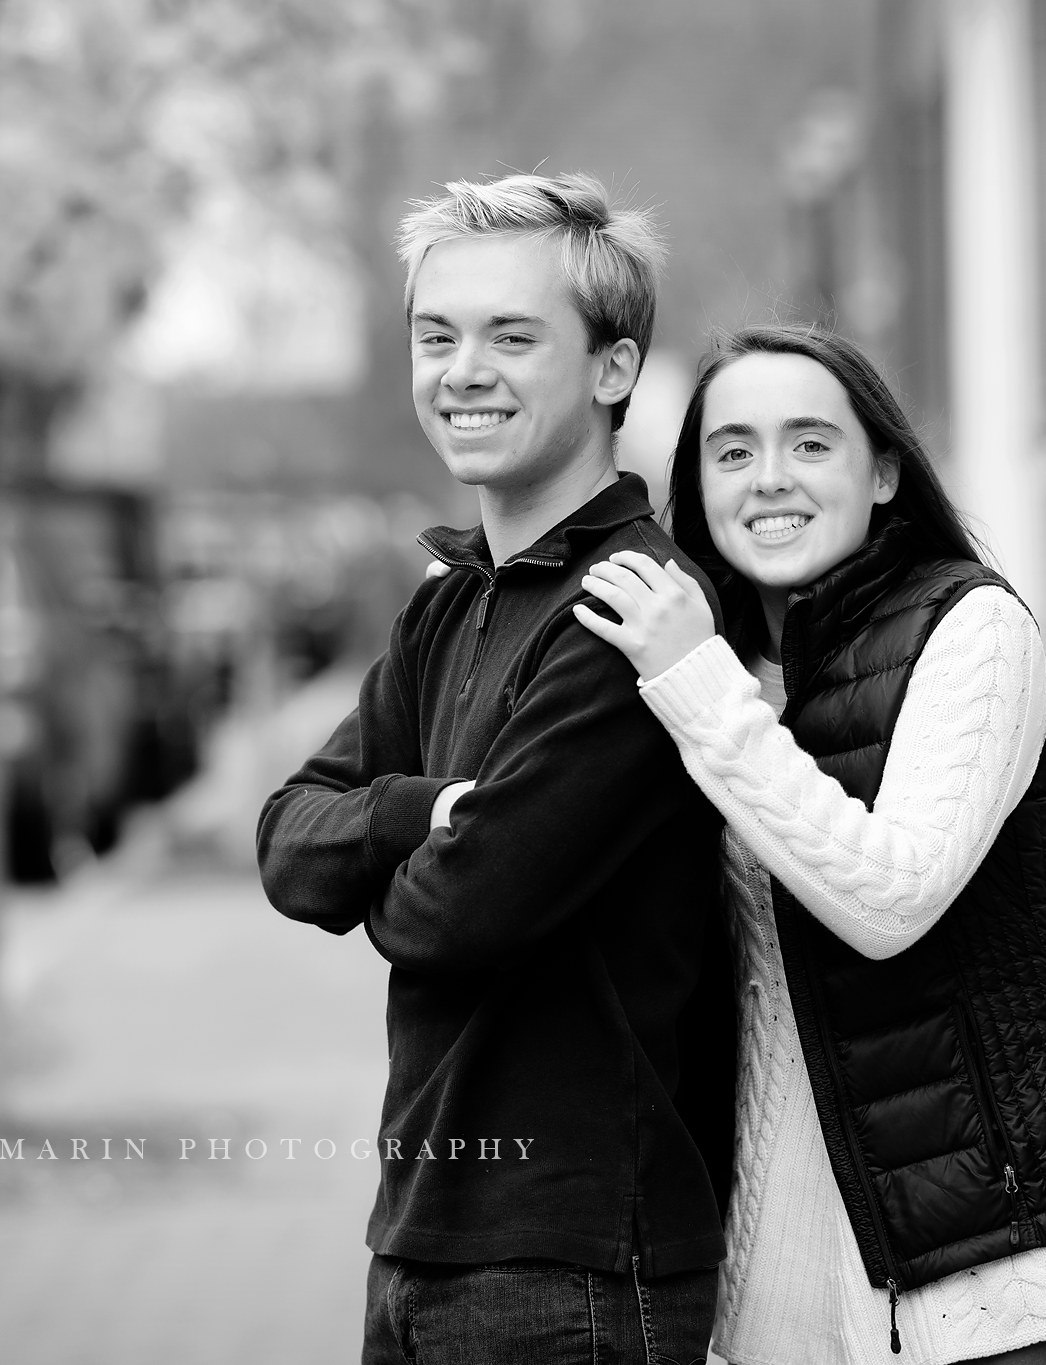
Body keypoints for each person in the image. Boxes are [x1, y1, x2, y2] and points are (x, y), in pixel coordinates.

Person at [572, 326, 1046, 1365]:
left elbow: (888, 901)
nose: (768, 480)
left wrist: (700, 690)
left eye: (809, 444)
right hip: (783, 1281)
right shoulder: (711, 666)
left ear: (883, 471)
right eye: (731, 452)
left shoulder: (970, 631)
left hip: (1005, 1275)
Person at [257, 172, 733, 1365]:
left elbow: (452, 915)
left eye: (512, 336)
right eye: (436, 337)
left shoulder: (634, 614)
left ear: (613, 369)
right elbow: (284, 845)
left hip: (569, 1267)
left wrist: (393, 848)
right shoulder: (448, 605)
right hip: (422, 1239)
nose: (461, 371)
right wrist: (425, 808)